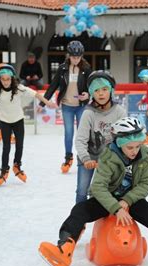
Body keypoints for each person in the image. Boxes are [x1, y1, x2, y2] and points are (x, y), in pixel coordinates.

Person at [39, 117, 148, 266]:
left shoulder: (146, 157)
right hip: (105, 199)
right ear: (120, 144)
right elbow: (98, 187)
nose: (135, 151)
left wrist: (127, 200)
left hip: (131, 200)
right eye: (130, 147)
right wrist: (115, 208)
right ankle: (64, 249)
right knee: (79, 210)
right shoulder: (108, 157)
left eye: (138, 146)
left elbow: (147, 184)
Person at [0, 66, 54, 186]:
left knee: (19, 145)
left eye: (8, 79)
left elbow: (35, 94)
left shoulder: (19, 88)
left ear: (12, 79)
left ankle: (17, 166)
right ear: (0, 79)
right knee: (6, 147)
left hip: (18, 121)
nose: (5, 82)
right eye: (3, 79)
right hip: (5, 122)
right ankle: (4, 170)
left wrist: (47, 102)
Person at [73, 70, 126, 203]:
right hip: (89, 158)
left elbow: (124, 138)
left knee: (105, 190)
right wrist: (85, 159)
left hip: (109, 159)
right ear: (91, 93)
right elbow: (80, 139)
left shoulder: (119, 112)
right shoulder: (88, 113)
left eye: (104, 89)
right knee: (82, 190)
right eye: (96, 90)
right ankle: (79, 220)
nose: (101, 93)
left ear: (111, 91)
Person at [41, 41, 92, 173]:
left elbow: (92, 85)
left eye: (78, 57)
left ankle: (83, 158)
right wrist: (43, 102)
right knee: (68, 133)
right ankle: (68, 158)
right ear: (69, 56)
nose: (76, 59)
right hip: (67, 106)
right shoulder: (63, 68)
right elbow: (53, 85)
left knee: (82, 134)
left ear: (81, 56)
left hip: (81, 106)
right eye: (73, 57)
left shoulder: (86, 68)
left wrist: (88, 94)